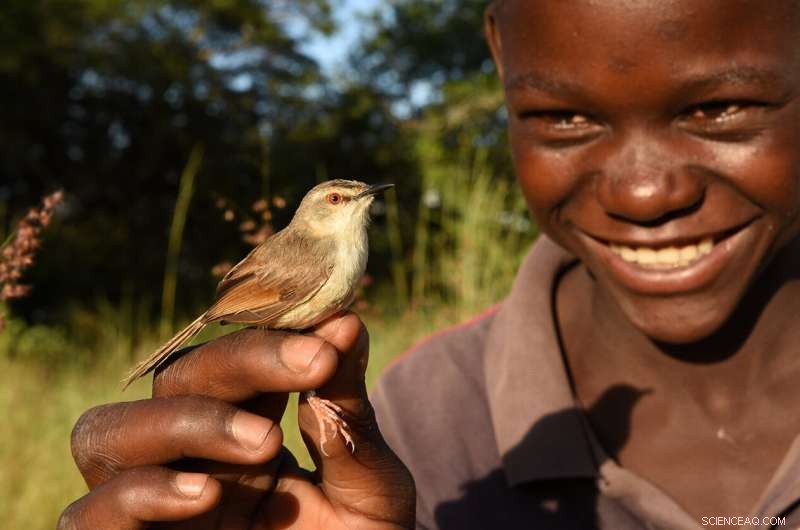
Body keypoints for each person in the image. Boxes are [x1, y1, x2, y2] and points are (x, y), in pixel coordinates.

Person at [58, 0, 800, 528]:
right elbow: (243, 302)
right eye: (564, 116)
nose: (646, 193)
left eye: (719, 106)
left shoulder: (430, 397)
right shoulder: (419, 406)